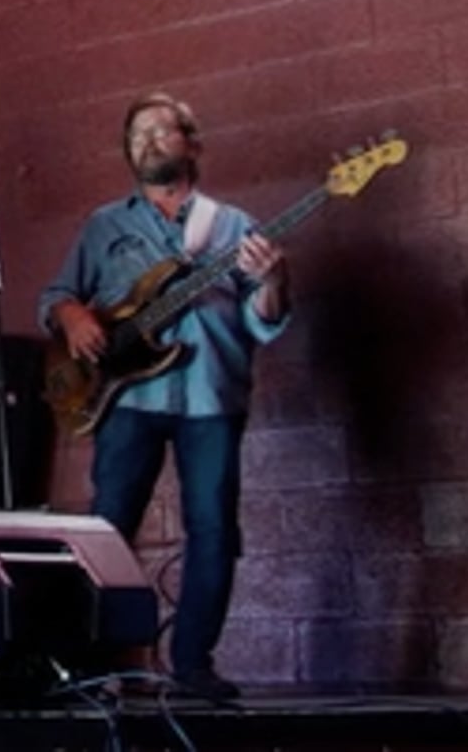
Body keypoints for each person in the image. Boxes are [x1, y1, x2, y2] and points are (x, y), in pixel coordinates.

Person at [36, 92, 290, 701]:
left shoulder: (233, 227)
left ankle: (193, 664)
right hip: (126, 400)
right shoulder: (104, 225)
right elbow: (55, 296)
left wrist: (274, 280)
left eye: (161, 130)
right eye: (136, 135)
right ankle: (94, 666)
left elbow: (262, 321)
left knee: (214, 530)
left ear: (192, 144)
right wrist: (74, 317)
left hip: (211, 397)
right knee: (108, 527)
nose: (147, 142)